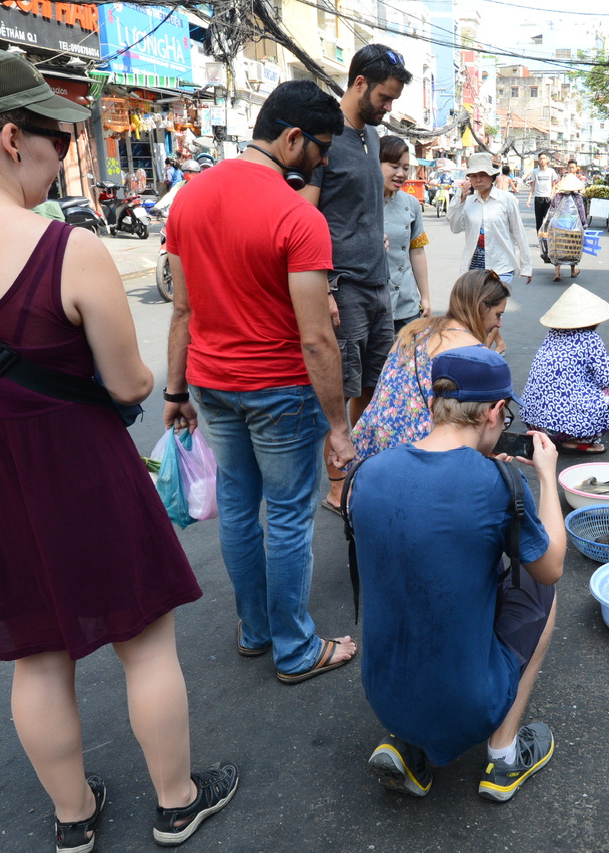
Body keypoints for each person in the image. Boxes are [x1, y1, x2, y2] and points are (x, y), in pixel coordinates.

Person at [0, 46, 237, 850]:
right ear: (13, 139)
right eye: (61, 141)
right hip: (81, 473)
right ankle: (177, 801)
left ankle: (73, 818)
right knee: (143, 644)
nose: (62, 156)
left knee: (36, 657)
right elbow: (129, 384)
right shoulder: (66, 249)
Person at [164, 80, 359, 684]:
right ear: (292, 137)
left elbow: (182, 309)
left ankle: (256, 630)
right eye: (321, 147)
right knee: (290, 518)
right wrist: (338, 426)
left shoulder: (189, 198)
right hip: (278, 390)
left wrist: (175, 394)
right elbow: (317, 338)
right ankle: (296, 648)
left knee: (242, 513)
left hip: (212, 387)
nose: (325, 161)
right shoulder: (297, 215)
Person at [353, 347, 564, 802]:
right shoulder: (496, 483)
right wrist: (545, 480)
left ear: (435, 405)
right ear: (493, 412)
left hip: (383, 695)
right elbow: (552, 567)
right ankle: (504, 756)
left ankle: (410, 745)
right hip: (466, 705)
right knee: (538, 586)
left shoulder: (368, 473)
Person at [301, 45, 411, 512]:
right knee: (339, 390)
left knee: (373, 384)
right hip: (341, 286)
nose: (388, 109)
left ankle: (361, 468)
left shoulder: (369, 136)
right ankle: (336, 486)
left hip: (377, 285)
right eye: (385, 98)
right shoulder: (326, 138)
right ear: (360, 83)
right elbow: (304, 218)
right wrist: (322, 284)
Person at [349, 269, 509, 464]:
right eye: (498, 314)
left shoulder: (415, 330)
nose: (499, 324)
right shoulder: (470, 351)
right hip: (418, 451)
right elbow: (472, 419)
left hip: (372, 443)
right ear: (481, 307)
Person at [521, 284, 609, 454]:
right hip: (567, 428)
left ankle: (557, 436)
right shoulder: (590, 338)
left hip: (535, 423)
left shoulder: (552, 334)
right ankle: (582, 440)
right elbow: (607, 381)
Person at [449, 151, 533, 285]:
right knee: (477, 305)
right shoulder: (468, 202)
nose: (478, 180)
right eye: (474, 176)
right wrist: (459, 200)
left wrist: (526, 266)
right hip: (474, 267)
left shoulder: (506, 199)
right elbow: (455, 227)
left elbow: (518, 232)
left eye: (482, 175)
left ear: (491, 177)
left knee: (495, 305)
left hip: (501, 266)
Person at [379, 134, 430, 333]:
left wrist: (424, 297)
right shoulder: (361, 202)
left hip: (407, 304)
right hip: (373, 306)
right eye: (394, 166)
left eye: (406, 168)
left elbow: (416, 252)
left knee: (409, 362)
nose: (401, 173)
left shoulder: (411, 204)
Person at [539, 173, 587, 281]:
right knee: (572, 247)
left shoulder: (558, 196)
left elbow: (552, 210)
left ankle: (557, 273)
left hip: (558, 226)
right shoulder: (578, 197)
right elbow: (581, 212)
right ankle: (573, 270)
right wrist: (584, 224)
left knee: (557, 247)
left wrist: (547, 225)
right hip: (573, 228)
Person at [525, 151, 557, 244]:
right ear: (538, 160)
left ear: (547, 160)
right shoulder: (535, 172)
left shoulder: (551, 171)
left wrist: (551, 196)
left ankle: (546, 239)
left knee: (547, 220)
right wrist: (529, 199)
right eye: (540, 159)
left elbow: (554, 185)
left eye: (544, 158)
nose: (542, 160)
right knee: (539, 221)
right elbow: (533, 186)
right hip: (538, 198)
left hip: (547, 198)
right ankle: (540, 240)